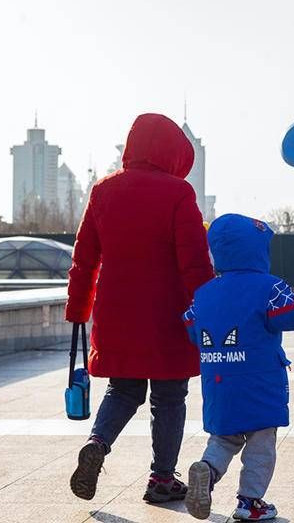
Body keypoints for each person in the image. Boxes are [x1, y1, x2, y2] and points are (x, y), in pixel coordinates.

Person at [67, 114, 215, 503]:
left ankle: (97, 442)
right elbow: (195, 264)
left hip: (117, 315)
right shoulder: (178, 194)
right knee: (169, 398)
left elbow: (84, 260)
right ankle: (162, 478)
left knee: (122, 389)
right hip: (168, 316)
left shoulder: (103, 191)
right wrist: (212, 308)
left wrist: (78, 310)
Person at [183, 214, 294, 521]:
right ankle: (250, 502)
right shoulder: (269, 288)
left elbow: (190, 324)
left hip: (219, 383)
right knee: (260, 442)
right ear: (257, 250)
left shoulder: (204, 294)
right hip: (259, 383)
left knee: (225, 437)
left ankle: (208, 470)